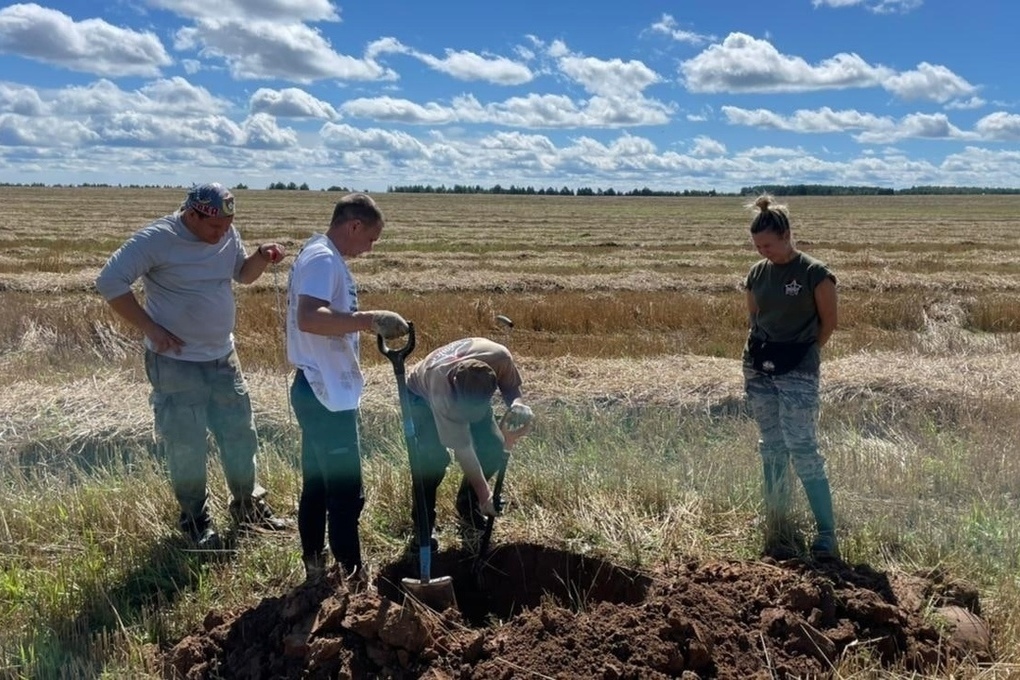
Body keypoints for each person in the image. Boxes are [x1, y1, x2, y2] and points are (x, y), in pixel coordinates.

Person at [96, 182, 292, 549]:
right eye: (215, 227)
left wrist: (261, 257)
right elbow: (109, 281)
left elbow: (242, 274)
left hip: (222, 355)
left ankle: (248, 507)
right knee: (187, 444)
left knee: (239, 434)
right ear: (191, 215)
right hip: (175, 363)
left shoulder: (226, 232)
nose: (222, 234)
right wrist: (151, 328)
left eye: (227, 226)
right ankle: (195, 521)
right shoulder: (157, 238)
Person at [286, 192, 408, 583]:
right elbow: (309, 317)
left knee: (318, 486)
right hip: (325, 395)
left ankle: (315, 569)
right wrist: (367, 319)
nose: (369, 249)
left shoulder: (319, 254)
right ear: (353, 225)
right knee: (345, 492)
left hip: (316, 387)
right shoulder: (323, 258)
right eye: (370, 239)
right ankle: (353, 577)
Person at [741, 193, 840, 561]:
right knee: (772, 446)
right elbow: (754, 318)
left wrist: (801, 354)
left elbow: (828, 324)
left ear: (786, 236)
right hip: (758, 366)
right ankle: (777, 522)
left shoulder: (815, 273)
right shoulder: (755, 273)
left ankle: (826, 533)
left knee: (802, 447)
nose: (762, 251)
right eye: (757, 246)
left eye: (767, 244)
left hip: (798, 367)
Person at [405, 337, 534, 553]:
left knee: (493, 447)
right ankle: (423, 527)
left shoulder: (500, 357)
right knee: (431, 461)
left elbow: (511, 389)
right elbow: (464, 450)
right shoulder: (442, 393)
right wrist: (487, 497)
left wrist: (518, 406)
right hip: (420, 396)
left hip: (467, 390)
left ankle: (468, 505)